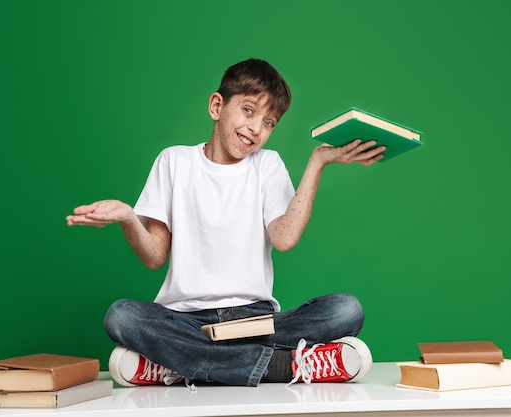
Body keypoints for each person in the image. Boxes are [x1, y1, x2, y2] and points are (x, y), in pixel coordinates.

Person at [66, 58, 385, 387]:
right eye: (248, 111)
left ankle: (176, 365)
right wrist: (129, 218)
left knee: (346, 310)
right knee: (121, 316)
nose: (256, 129)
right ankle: (283, 367)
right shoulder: (173, 161)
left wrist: (317, 162)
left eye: (269, 122)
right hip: (184, 320)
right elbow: (154, 256)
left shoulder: (268, 165)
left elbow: (285, 238)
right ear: (217, 106)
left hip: (255, 320)